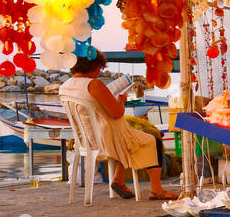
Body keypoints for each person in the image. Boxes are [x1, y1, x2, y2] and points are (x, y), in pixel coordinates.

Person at [59, 52, 173, 200]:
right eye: (100, 68)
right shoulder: (93, 84)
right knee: (153, 140)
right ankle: (156, 189)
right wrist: (121, 101)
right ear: (93, 66)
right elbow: (116, 113)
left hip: (86, 140)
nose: (99, 72)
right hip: (107, 140)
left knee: (130, 139)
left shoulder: (64, 87)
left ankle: (119, 179)